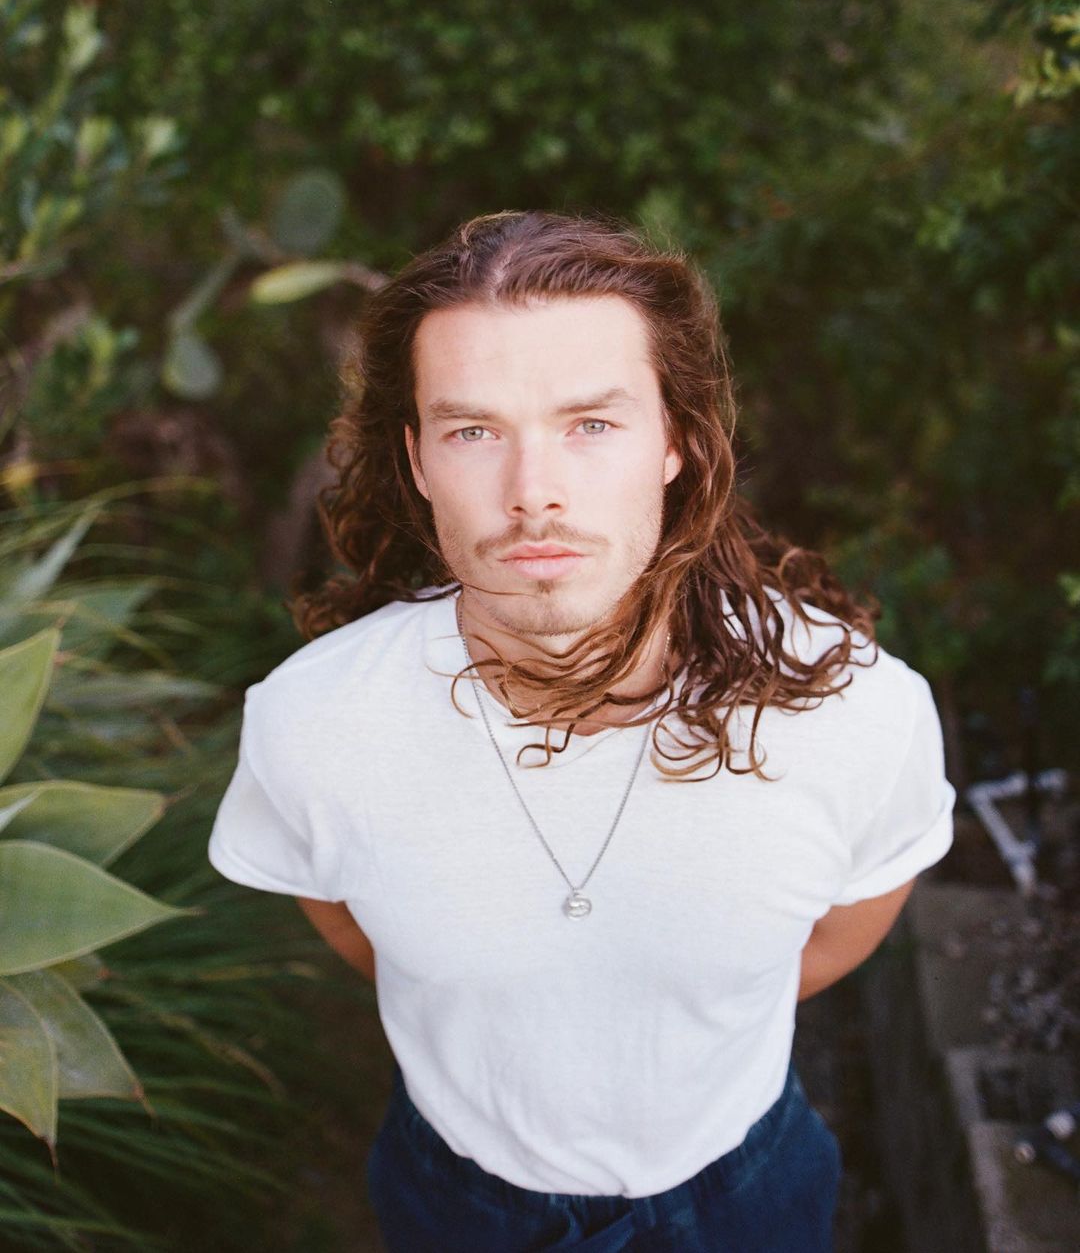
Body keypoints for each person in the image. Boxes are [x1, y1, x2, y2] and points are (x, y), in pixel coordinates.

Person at [207, 209, 956, 1251]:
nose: (534, 495)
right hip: (457, 1198)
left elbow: (842, 929)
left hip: (746, 1192)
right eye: (474, 432)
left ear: (676, 441)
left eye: (591, 425)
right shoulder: (312, 722)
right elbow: (348, 922)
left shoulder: (856, 710)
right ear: (417, 459)